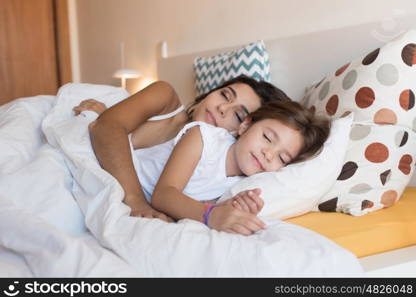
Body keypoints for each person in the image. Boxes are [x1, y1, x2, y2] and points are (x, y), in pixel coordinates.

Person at [74, 75, 291, 229]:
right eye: (225, 95)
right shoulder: (165, 96)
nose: (222, 108)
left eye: (237, 115)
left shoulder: (216, 168)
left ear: (244, 129)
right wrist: (135, 200)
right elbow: (106, 127)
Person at [148, 100, 330, 235]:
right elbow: (163, 195)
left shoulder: (245, 184)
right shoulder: (204, 138)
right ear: (245, 125)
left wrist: (229, 207)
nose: (269, 153)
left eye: (282, 158)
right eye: (267, 137)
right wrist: (211, 214)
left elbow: (194, 200)